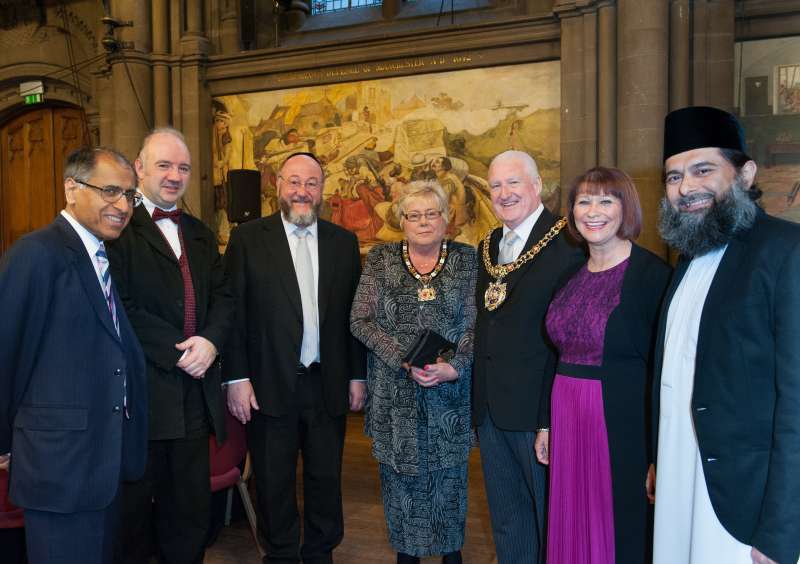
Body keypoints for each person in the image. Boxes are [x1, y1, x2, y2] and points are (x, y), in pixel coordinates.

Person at [651, 106, 800, 564]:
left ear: (744, 172)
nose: (686, 188)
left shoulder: (785, 251)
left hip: (743, 499)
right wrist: (658, 457)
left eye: (702, 170)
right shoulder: (688, 258)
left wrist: (782, 530)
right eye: (674, 177)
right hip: (680, 476)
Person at [0, 147, 147, 564]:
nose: (123, 205)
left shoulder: (99, 256)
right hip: (58, 467)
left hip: (101, 464)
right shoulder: (36, 255)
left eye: (130, 196)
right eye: (111, 191)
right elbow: (5, 352)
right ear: (71, 188)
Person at [224, 152, 367, 564]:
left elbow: (352, 317)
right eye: (294, 182)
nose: (302, 191)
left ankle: (321, 552)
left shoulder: (343, 242)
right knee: (273, 481)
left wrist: (358, 376)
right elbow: (232, 314)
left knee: (326, 479)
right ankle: (281, 554)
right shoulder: (248, 239)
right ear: (278, 187)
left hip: (327, 382)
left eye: (312, 183)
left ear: (323, 190)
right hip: (267, 383)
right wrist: (236, 377)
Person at [107, 128, 234, 564]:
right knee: (134, 518)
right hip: (144, 396)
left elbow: (224, 297)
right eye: (164, 165)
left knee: (190, 514)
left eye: (182, 167)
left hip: (196, 396)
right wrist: (181, 350)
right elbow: (119, 306)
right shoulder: (117, 229)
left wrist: (212, 342)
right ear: (139, 168)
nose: (174, 175)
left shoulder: (200, 233)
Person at [533, 167, 671, 564]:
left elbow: (663, 375)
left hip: (619, 423)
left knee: (618, 525)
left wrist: (658, 455)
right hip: (567, 414)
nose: (593, 211)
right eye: (584, 201)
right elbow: (553, 354)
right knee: (569, 516)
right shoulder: (569, 275)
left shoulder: (652, 277)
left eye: (606, 200)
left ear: (625, 208)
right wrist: (546, 422)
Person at [350, 181, 477, 564]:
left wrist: (453, 368)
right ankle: (407, 555)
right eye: (414, 215)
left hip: (450, 399)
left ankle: (452, 553)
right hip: (395, 398)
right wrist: (402, 358)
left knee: (449, 483)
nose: (423, 222)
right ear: (401, 220)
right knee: (400, 486)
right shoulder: (381, 259)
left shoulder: (467, 260)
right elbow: (360, 319)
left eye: (432, 213)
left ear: (446, 218)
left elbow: (479, 325)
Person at [472, 150, 584, 564]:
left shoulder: (568, 244)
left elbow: (566, 341)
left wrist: (548, 420)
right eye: (496, 185)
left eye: (513, 182)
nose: (504, 193)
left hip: (538, 414)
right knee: (507, 519)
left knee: (548, 519)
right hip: (490, 411)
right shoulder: (488, 245)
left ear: (537, 186)